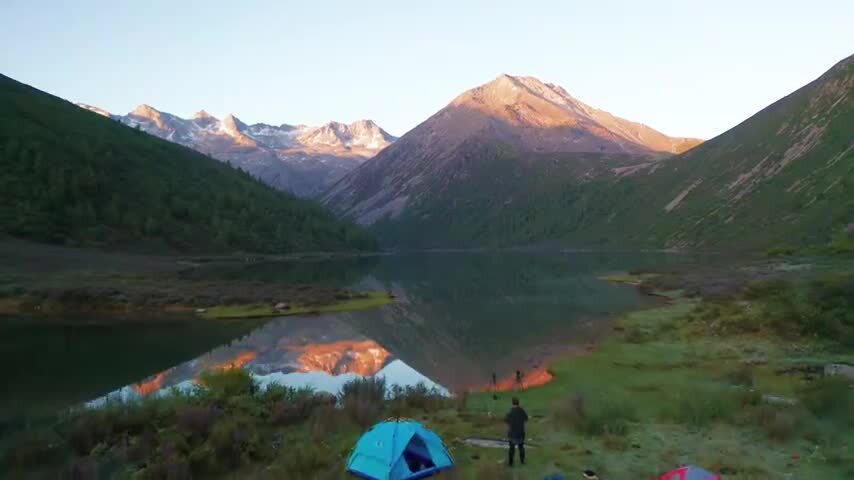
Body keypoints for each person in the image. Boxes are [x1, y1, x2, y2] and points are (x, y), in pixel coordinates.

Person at [504, 397, 528, 466]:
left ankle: (511, 463)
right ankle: (522, 461)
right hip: (521, 432)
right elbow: (526, 419)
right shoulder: (521, 411)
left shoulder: (510, 412)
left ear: (512, 403)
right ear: (518, 403)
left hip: (512, 433)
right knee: (521, 447)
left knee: (511, 449)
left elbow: (506, 420)